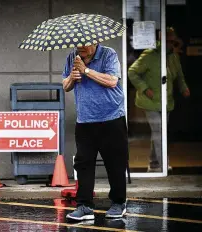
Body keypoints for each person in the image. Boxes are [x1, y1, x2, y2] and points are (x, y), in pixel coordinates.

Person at [62, 43, 129, 221]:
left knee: (115, 163)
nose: (80, 48)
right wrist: (72, 77)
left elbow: (112, 81)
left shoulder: (108, 54)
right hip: (85, 120)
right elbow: (65, 86)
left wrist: (86, 71)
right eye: (78, 45)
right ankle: (84, 206)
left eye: (84, 45)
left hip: (111, 118)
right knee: (83, 164)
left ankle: (118, 203)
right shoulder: (72, 57)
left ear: (95, 41)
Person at [128, 27, 190, 172]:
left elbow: (179, 76)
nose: (171, 44)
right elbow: (132, 72)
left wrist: (184, 88)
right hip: (150, 101)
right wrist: (144, 88)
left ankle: (154, 162)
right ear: (161, 40)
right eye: (168, 41)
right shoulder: (150, 54)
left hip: (165, 100)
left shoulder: (173, 56)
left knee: (159, 132)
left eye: (173, 42)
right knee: (159, 131)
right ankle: (163, 165)